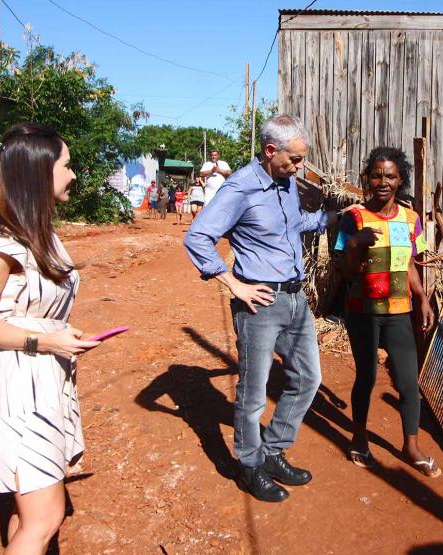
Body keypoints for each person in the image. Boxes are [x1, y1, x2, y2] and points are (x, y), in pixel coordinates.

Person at [185, 114, 352, 503]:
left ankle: (273, 451)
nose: (300, 168)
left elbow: (294, 226)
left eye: (302, 160)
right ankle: (249, 465)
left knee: (308, 379)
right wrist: (234, 284)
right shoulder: (240, 187)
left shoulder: (287, 182)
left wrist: (331, 218)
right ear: (270, 150)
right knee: (253, 392)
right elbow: (198, 238)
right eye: (294, 160)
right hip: (259, 305)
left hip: (296, 300)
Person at [0, 123, 100, 553]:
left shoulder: (38, 235)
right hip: (14, 387)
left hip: (39, 382)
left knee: (28, 510)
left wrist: (58, 335)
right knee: (46, 515)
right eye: (67, 165)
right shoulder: (1, 246)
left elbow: (33, 313)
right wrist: (44, 342)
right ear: (39, 172)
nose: (73, 175)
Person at [334, 146, 441, 478]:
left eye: (390, 176)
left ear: (400, 180)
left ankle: (411, 446)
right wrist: (354, 245)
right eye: (377, 175)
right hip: (362, 311)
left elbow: (409, 264)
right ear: (368, 178)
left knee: (408, 382)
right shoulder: (352, 218)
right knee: (366, 377)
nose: (383, 181)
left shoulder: (410, 219)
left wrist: (422, 298)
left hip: (398, 310)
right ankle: (360, 437)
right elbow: (346, 274)